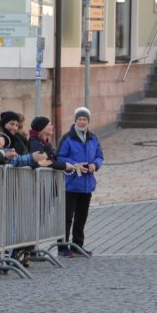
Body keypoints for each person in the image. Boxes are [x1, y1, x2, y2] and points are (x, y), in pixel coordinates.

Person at [56, 107, 104, 257]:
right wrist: (75, 164)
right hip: (71, 184)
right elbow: (59, 157)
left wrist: (95, 165)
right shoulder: (67, 138)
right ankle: (62, 247)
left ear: (88, 121)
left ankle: (78, 245)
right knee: (67, 217)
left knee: (81, 217)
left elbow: (100, 156)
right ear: (75, 120)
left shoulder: (93, 138)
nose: (82, 122)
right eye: (79, 119)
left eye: (84, 119)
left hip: (87, 185)